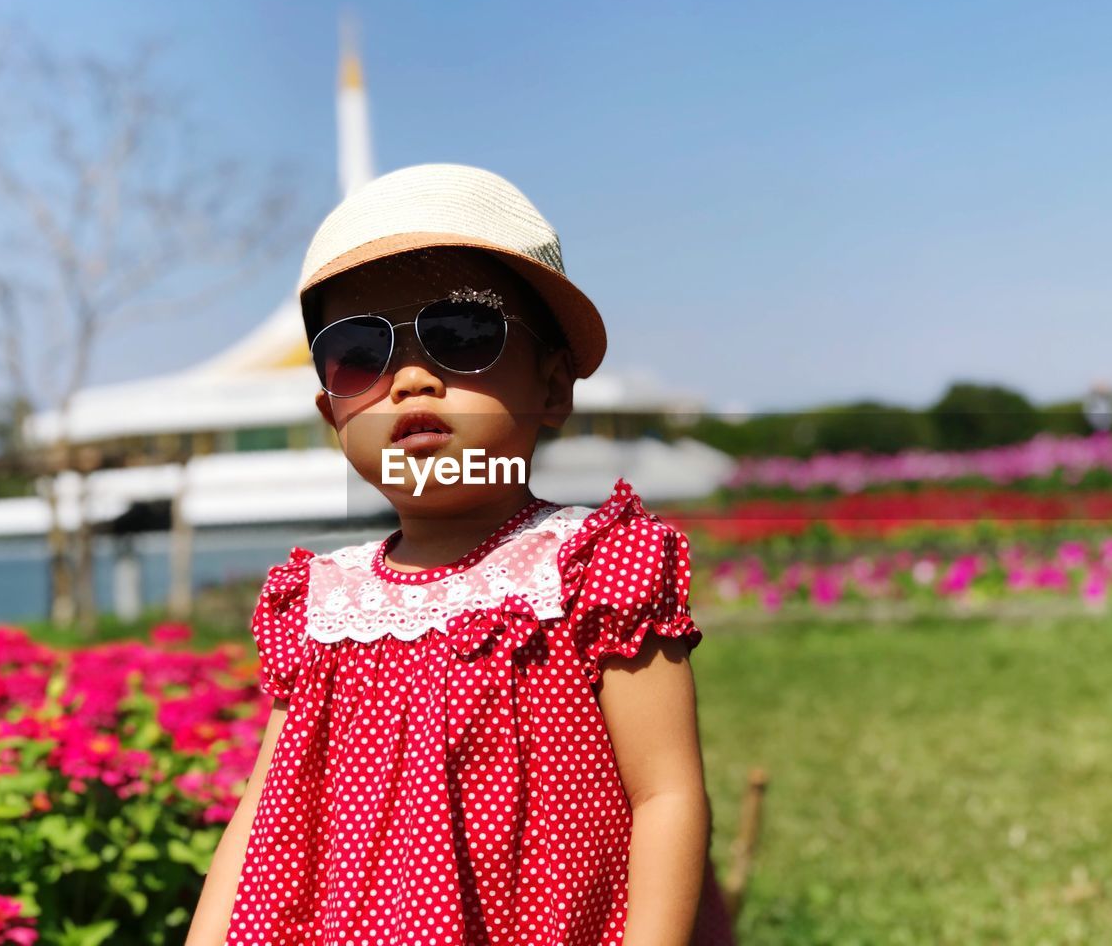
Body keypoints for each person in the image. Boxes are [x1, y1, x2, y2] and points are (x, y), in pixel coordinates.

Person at [186, 164, 737, 946]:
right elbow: (264, 814)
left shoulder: (591, 567)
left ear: (552, 385)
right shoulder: (322, 602)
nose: (410, 378)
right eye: (357, 354)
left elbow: (666, 796)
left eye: (463, 336)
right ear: (331, 414)